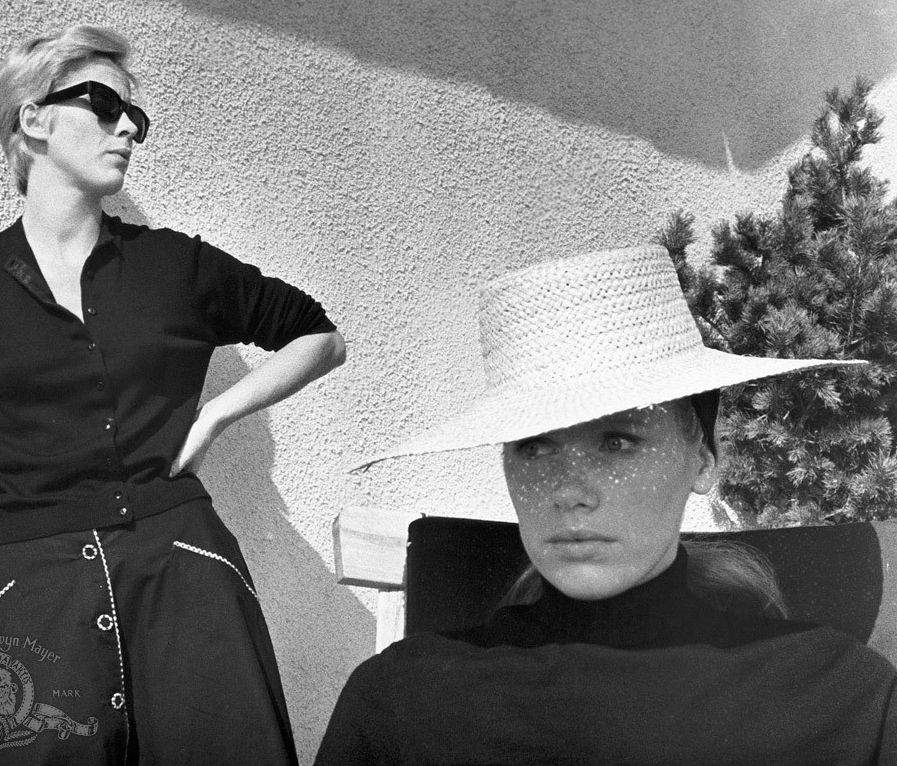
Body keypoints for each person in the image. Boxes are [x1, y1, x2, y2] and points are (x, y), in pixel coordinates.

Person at [0, 25, 345, 765]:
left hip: (186, 572)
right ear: (33, 118)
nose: (128, 130)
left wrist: (216, 414)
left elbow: (320, 337)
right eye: (105, 105)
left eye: (135, 117)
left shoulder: (174, 265)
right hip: (33, 591)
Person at [316, 244, 897, 765]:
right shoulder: (405, 699)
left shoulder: (842, 700)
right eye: (534, 446)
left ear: (703, 459)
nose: (569, 492)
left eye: (617, 442)